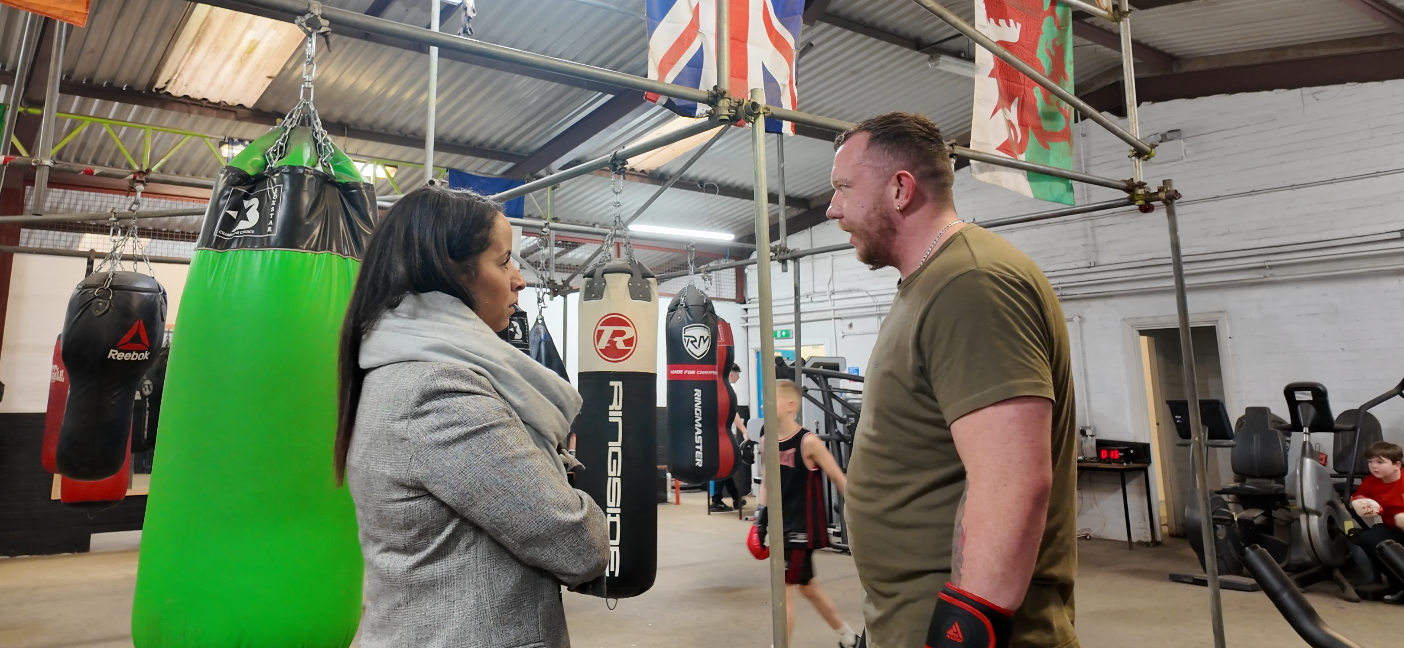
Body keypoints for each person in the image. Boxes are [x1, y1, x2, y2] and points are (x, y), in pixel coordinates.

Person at [827, 113, 1078, 648]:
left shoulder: (971, 283)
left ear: (900, 189)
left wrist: (965, 632)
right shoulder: (931, 283)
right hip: (910, 619)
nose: (833, 209)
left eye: (844, 188)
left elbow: (1012, 483)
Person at [334, 186, 609, 647]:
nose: (518, 279)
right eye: (503, 262)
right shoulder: (438, 393)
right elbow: (578, 546)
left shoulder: (397, 369)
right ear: (452, 273)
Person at [754, 379, 860, 648]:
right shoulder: (766, 441)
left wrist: (864, 515)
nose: (766, 404)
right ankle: (848, 636)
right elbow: (767, 482)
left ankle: (780, 645)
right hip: (781, 527)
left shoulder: (808, 442)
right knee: (807, 586)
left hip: (802, 529)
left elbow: (839, 478)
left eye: (772, 398)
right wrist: (759, 521)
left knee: (784, 591)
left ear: (791, 404)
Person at [1350, 441, 1404, 603]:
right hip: (1392, 529)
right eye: (1370, 462)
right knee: (1369, 537)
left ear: (1397, 465)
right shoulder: (1370, 482)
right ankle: (1399, 585)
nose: (1374, 466)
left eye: (1380, 462)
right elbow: (1358, 498)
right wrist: (1359, 502)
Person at [712, 363, 748, 512]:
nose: (739, 377)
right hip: (725, 434)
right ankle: (717, 500)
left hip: (716, 433)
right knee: (724, 465)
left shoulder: (717, 387)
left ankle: (735, 497)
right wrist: (745, 431)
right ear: (731, 374)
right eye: (738, 374)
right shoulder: (729, 389)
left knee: (726, 466)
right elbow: (733, 413)